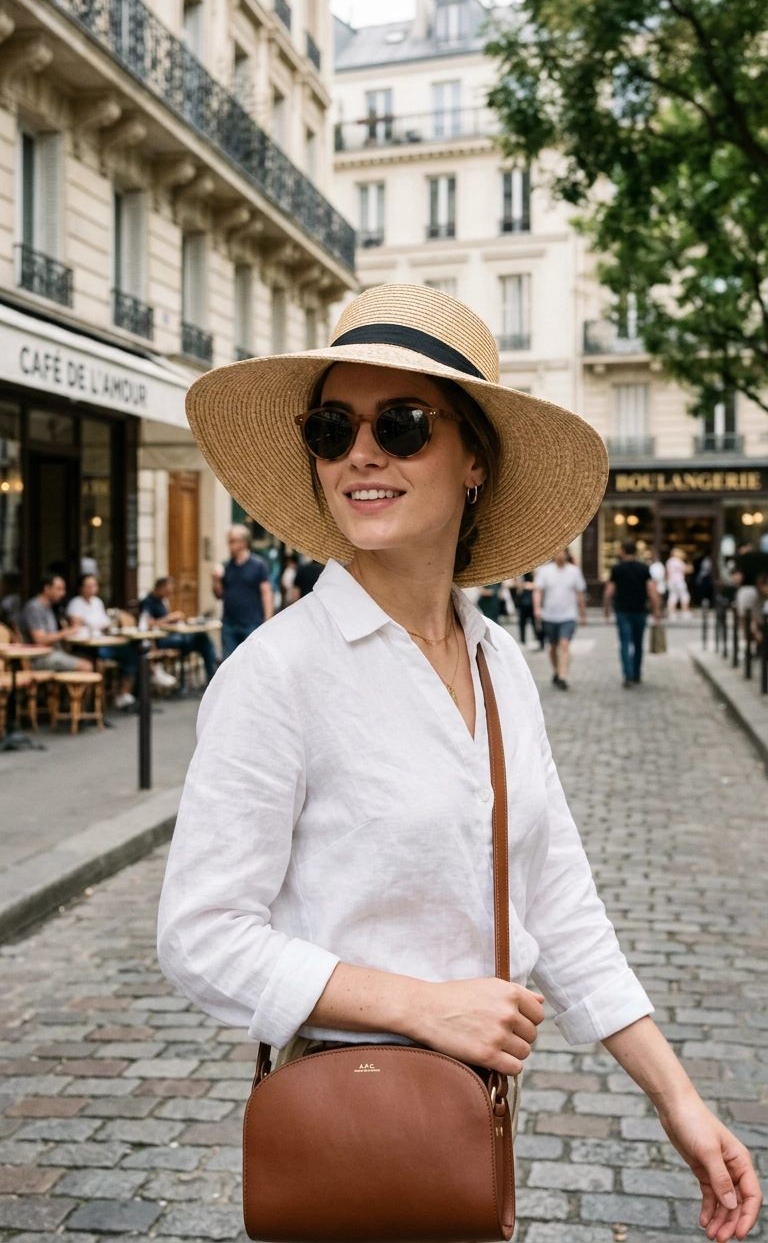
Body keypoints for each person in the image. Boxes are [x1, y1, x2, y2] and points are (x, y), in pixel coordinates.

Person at [158, 283, 761, 1240]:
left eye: (401, 424)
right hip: (343, 1119)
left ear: (473, 458)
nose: (362, 452)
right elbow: (200, 934)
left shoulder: (499, 666)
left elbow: (558, 902)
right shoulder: (277, 673)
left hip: (469, 1127)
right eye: (332, 426)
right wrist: (423, 1008)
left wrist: (678, 1102)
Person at [67, 573, 139, 709]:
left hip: (103, 641)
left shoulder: (97, 602)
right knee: (98, 659)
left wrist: (95, 624)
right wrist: (95, 625)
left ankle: (124, 694)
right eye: (88, 586)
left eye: (94, 585)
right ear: (81, 588)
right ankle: (92, 703)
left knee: (131, 652)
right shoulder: (75, 604)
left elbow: (105, 623)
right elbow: (76, 624)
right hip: (85, 646)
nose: (91, 589)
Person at [603, 539, 662, 687]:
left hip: (622, 610)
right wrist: (656, 610)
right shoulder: (644, 568)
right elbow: (652, 590)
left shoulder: (617, 568)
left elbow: (609, 590)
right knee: (638, 644)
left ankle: (627, 675)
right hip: (640, 610)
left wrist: (606, 609)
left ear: (622, 550)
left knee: (624, 643)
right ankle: (636, 674)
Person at [139, 576, 218, 685]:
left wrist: (174, 620)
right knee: (200, 640)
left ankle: (213, 676)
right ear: (160, 588)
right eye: (167, 590)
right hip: (161, 640)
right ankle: (213, 678)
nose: (169, 593)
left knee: (203, 640)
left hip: (173, 636)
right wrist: (170, 618)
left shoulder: (163, 601)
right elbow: (149, 623)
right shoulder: (148, 601)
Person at [212, 525, 273, 656]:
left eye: (232, 541)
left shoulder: (258, 564)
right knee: (229, 664)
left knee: (250, 662)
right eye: (228, 541)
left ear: (243, 542)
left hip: (251, 623)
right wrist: (216, 581)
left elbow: (266, 593)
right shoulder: (226, 566)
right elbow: (219, 595)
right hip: (229, 624)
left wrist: (268, 620)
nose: (229, 545)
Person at [532, 549, 587, 690]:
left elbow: (580, 594)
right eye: (557, 552)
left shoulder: (574, 571)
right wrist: (537, 608)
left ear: (567, 554)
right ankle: (556, 671)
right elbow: (538, 591)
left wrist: (583, 614)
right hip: (550, 615)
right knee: (553, 646)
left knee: (564, 644)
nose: (560, 555)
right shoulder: (545, 571)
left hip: (568, 615)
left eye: (563, 552)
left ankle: (563, 676)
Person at [18, 574, 91, 672]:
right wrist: (67, 632)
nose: (63, 593)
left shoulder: (48, 607)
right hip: (39, 657)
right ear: (47, 589)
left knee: (89, 659)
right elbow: (40, 640)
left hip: (54, 652)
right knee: (86, 666)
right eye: (59, 589)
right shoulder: (34, 608)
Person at [666, 546, 691, 616]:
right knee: (684, 596)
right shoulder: (679, 561)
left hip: (671, 581)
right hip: (679, 581)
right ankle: (685, 612)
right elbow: (685, 570)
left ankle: (671, 613)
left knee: (672, 596)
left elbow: (667, 573)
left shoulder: (669, 561)